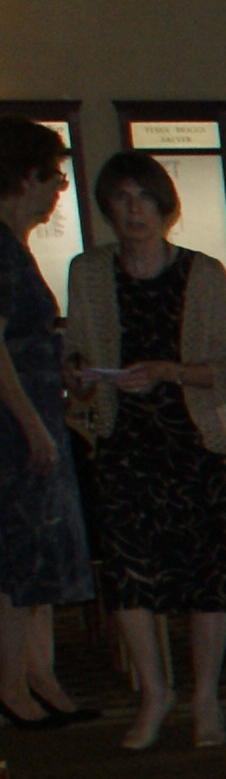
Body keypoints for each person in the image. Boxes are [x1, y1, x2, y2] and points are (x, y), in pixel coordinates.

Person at [64, 148, 226, 749]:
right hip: (123, 440)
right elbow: (77, 352)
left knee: (207, 574)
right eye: (121, 198)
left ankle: (205, 699)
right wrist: (81, 374)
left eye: (143, 197)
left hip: (196, 442)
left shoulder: (204, 273)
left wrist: (169, 371)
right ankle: (154, 694)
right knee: (127, 575)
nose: (133, 210)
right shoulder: (88, 272)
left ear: (166, 206)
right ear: (106, 208)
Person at [0, 121, 95, 727]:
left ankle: (39, 678)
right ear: (27, 176)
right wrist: (32, 425)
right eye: (55, 177)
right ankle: (13, 686)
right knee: (19, 555)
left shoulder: (14, 245)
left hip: (30, 413)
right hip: (13, 424)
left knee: (38, 550)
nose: (59, 190)